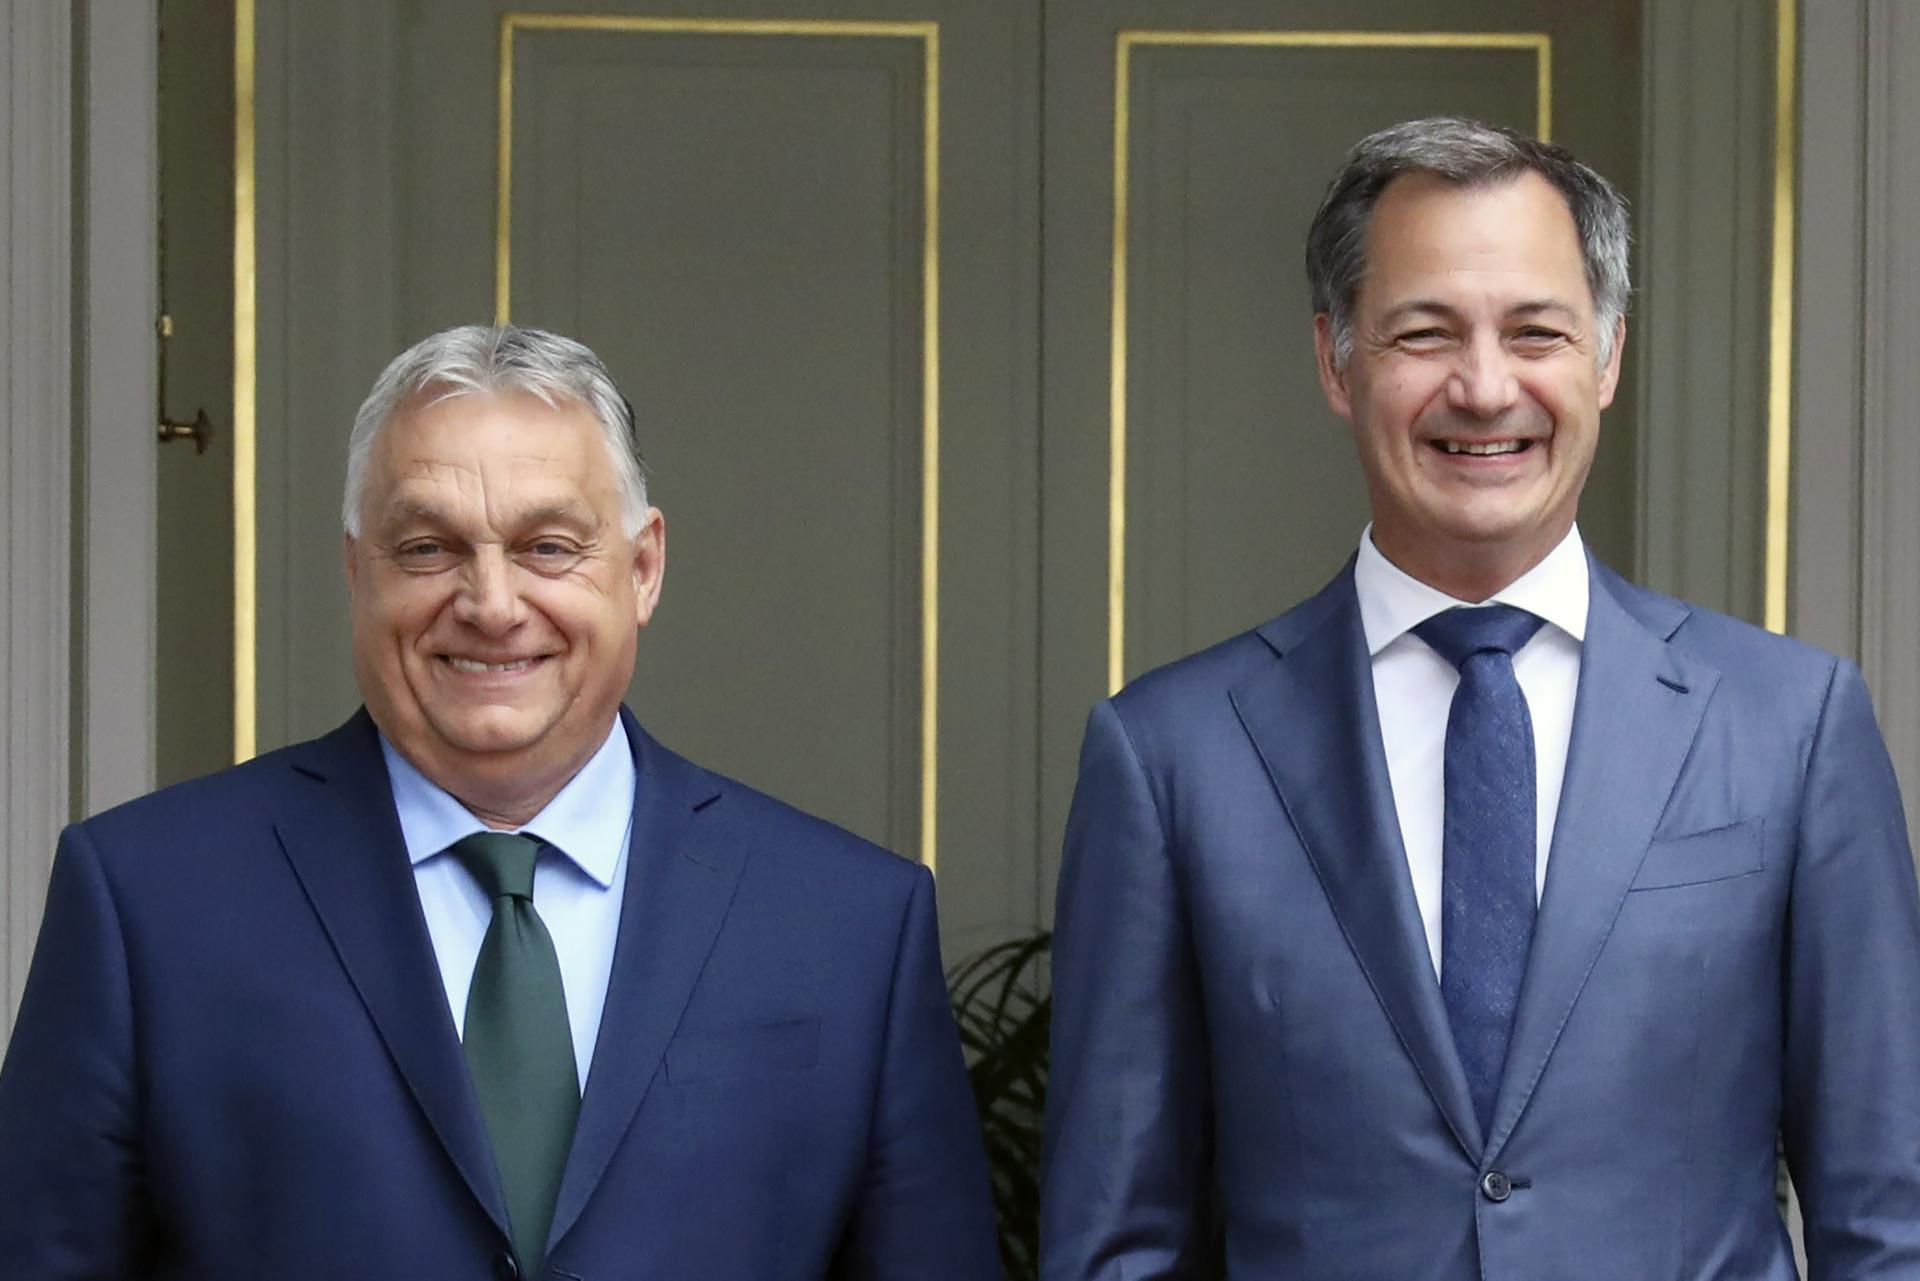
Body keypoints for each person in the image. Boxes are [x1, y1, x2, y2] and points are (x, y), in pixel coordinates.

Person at [1040, 117, 1920, 1278]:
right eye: (1424, 332)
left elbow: (1887, 1218)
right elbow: (1117, 1242)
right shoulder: (1169, 757)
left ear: (1606, 358)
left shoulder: (1791, 726)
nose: (1485, 385)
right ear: (1335, 358)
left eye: (1536, 331)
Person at [0, 324, 1001, 1280]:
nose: (491, 603)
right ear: (357, 570)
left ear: (643, 568)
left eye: (549, 547)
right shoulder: (147, 901)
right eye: (429, 548)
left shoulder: (849, 925)